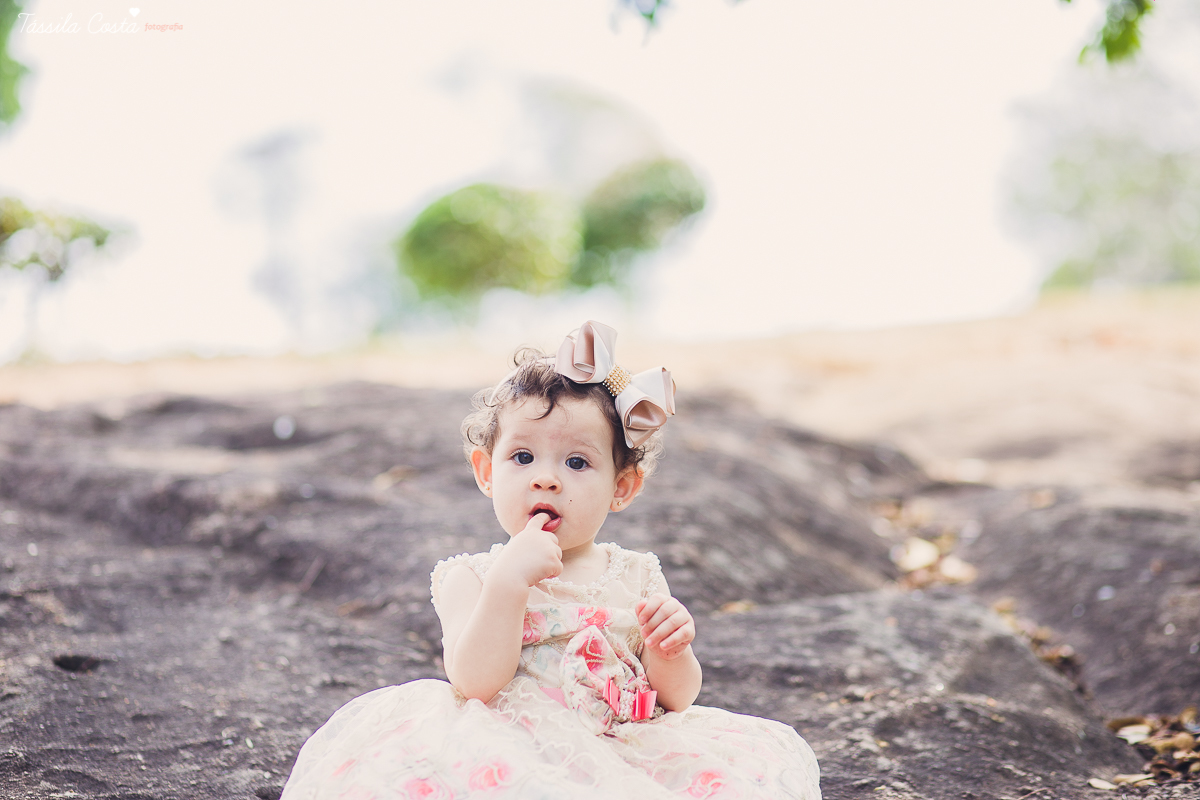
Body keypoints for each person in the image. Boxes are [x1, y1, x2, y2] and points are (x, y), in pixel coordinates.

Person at [281, 321, 822, 799]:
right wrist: (508, 585)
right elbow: (473, 682)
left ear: (623, 487)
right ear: (486, 471)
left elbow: (676, 699)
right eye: (522, 456)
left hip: (624, 747)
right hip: (515, 740)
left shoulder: (635, 574)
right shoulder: (470, 576)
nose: (546, 477)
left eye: (578, 462)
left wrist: (670, 649)